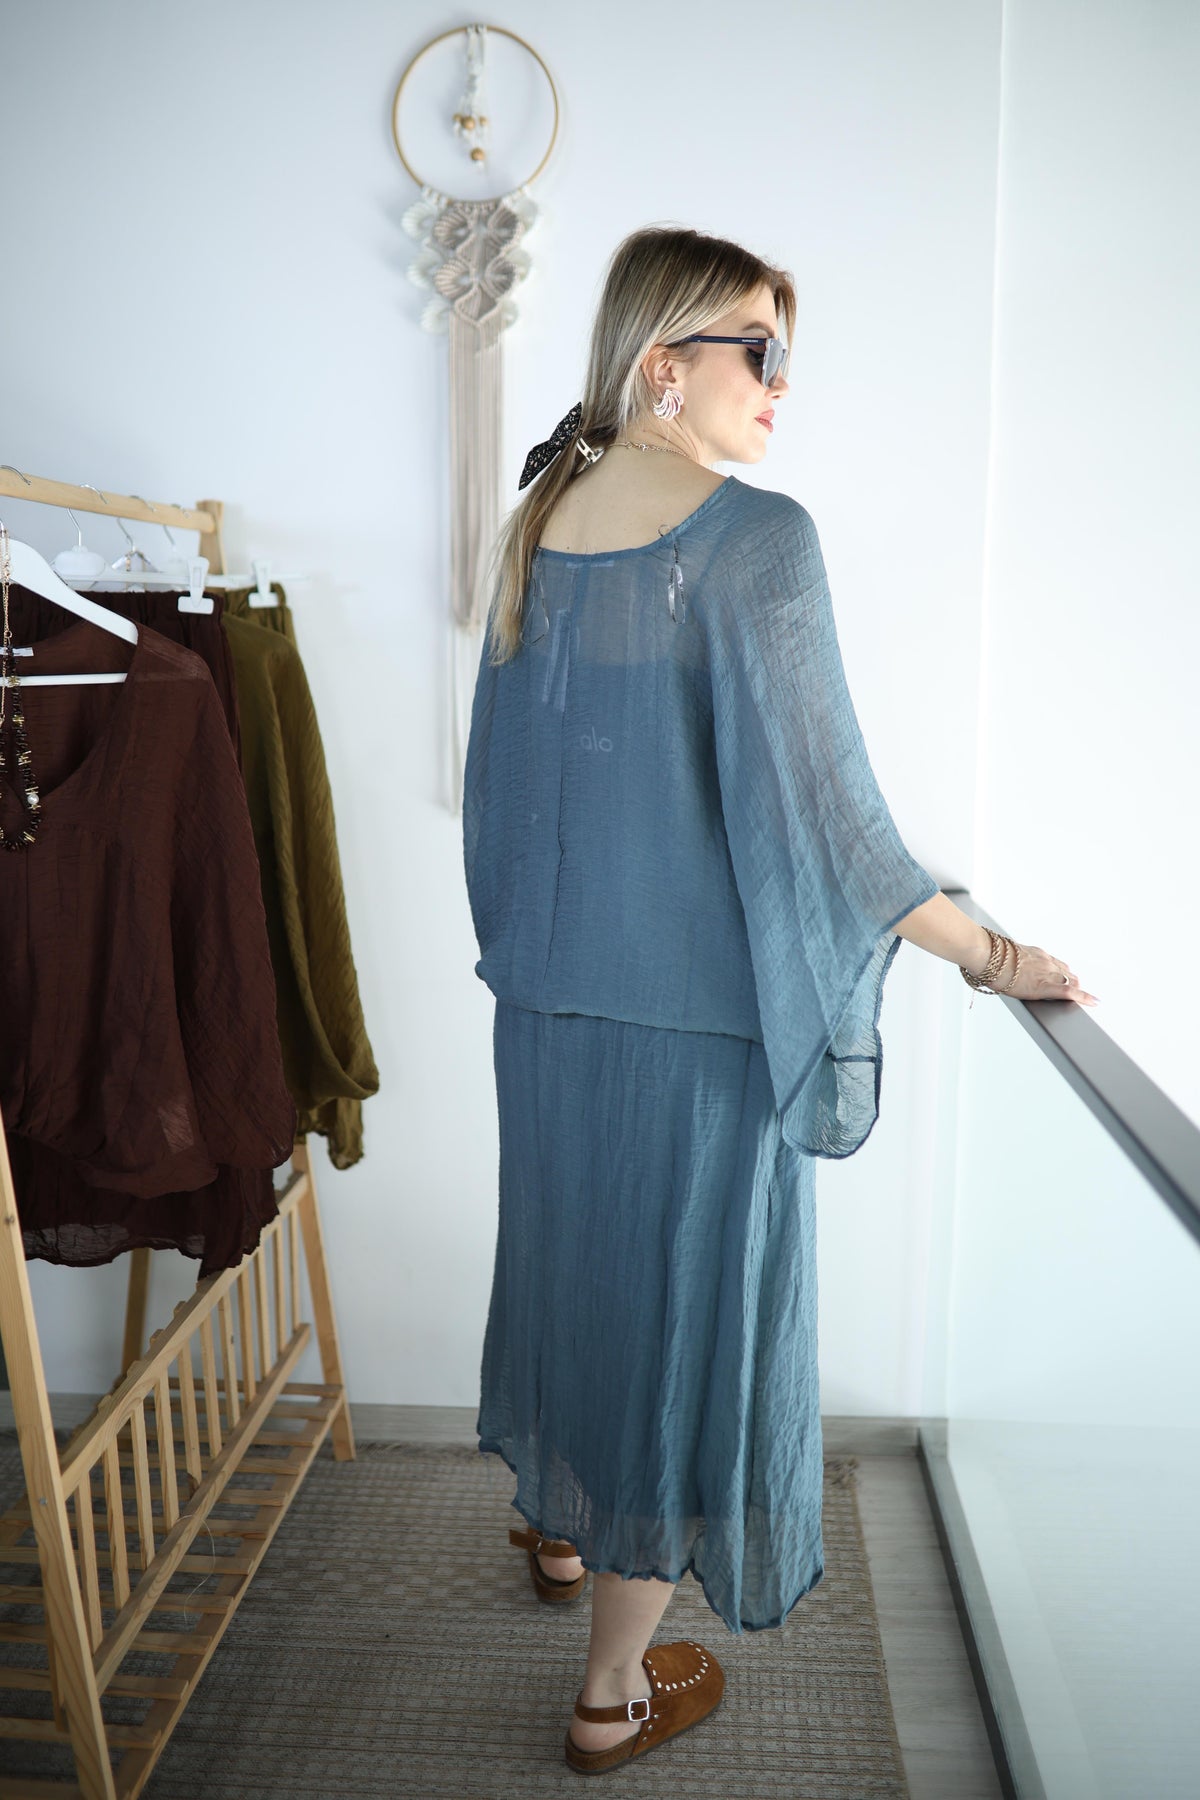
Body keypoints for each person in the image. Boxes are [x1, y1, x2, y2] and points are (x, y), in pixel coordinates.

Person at [462, 224, 1098, 1777]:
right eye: (762, 352)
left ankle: (562, 1526)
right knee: (679, 1339)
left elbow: (512, 795)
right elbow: (834, 822)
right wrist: (991, 954)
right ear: (662, 365)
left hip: (544, 1013)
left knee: (574, 1274)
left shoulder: (542, 522)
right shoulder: (756, 540)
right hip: (695, 1037)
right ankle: (612, 1694)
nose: (782, 386)